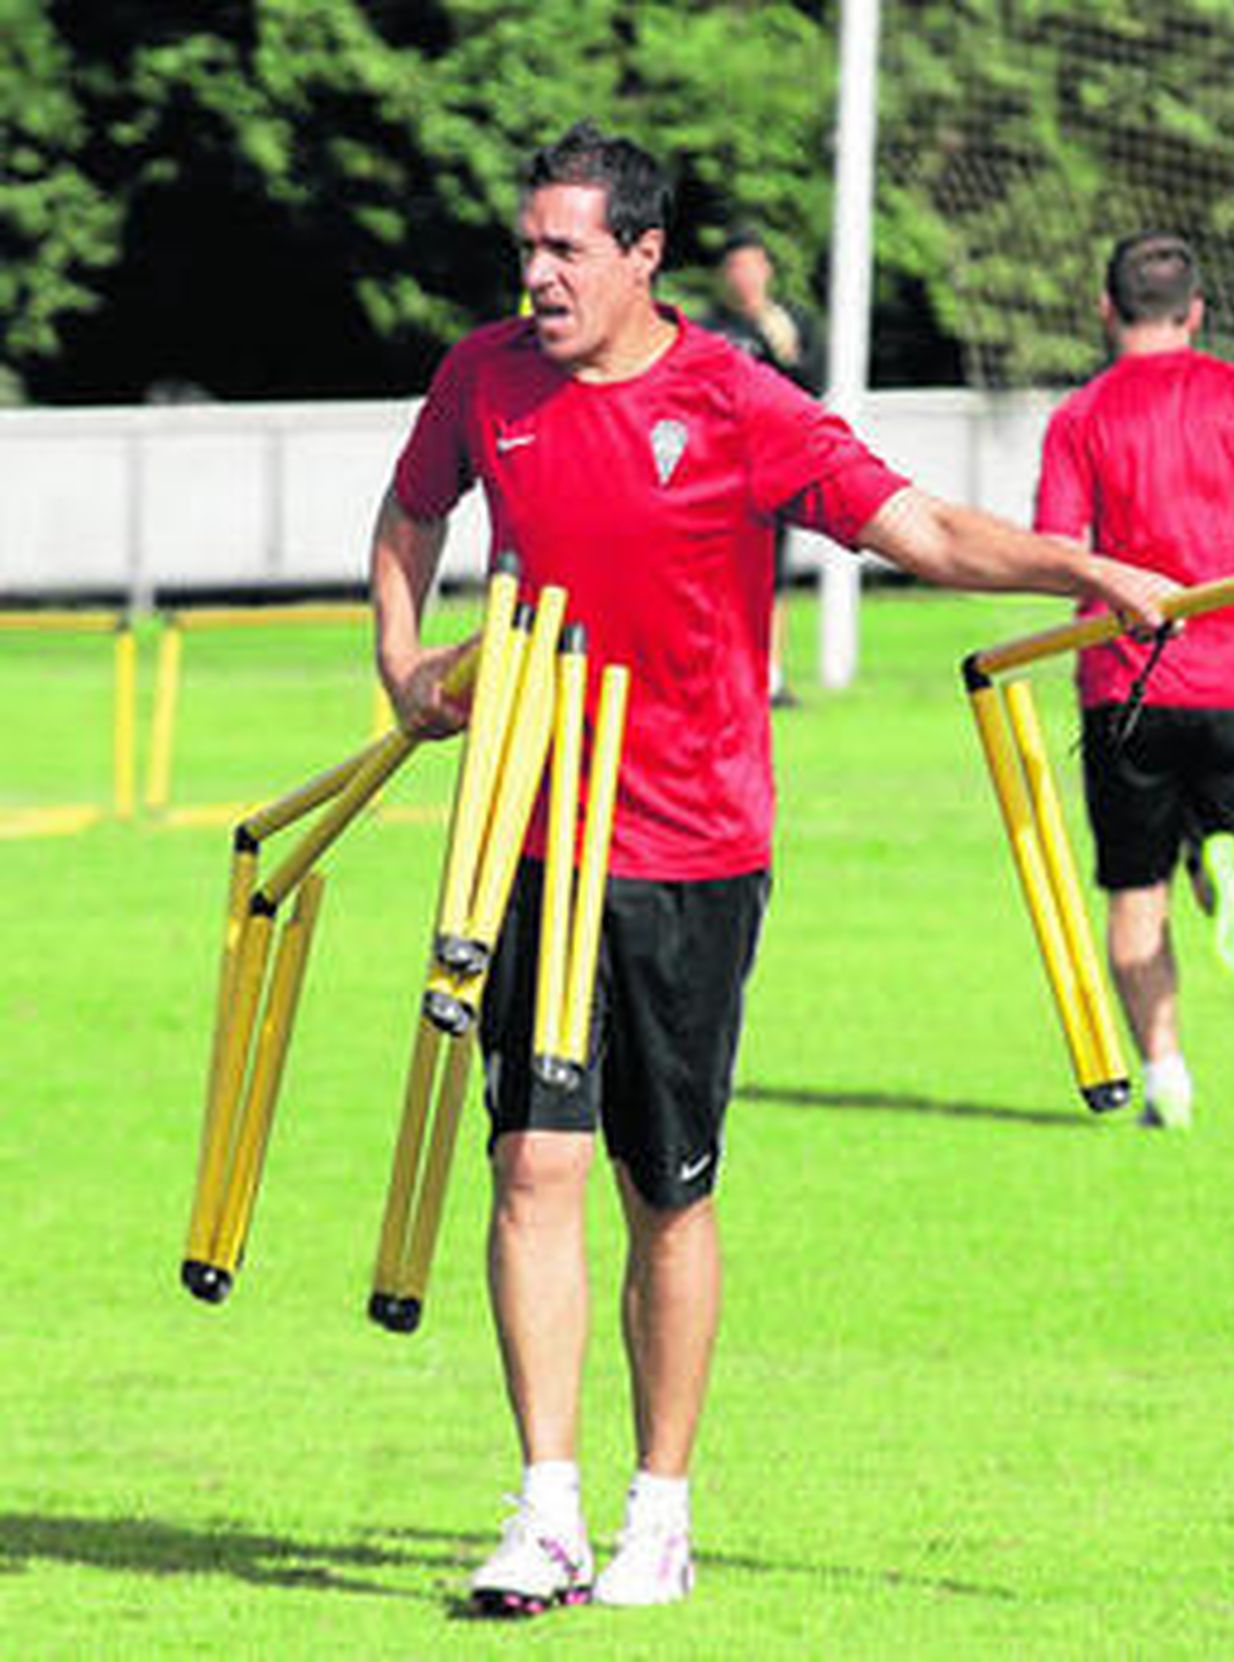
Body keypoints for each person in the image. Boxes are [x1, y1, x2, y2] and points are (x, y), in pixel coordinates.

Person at [369, 120, 1175, 1620]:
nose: (536, 274)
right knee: (532, 1158)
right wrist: (404, 659)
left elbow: (919, 526)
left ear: (643, 256)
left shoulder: (735, 400)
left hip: (691, 841)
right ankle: (544, 1507)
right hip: (528, 827)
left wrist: (1082, 566)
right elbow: (416, 506)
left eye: (567, 249)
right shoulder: (486, 377)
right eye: (527, 246)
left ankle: (657, 1510)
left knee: (662, 1187)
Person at [1033, 230, 1234, 1132]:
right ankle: (1231, 874)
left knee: (1135, 890)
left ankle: (1165, 1075)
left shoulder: (1081, 415)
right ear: (1196, 311)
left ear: (1106, 309)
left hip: (1126, 679)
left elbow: (1060, 552)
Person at [702, 226, 826, 707]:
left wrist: (786, 348)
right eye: (736, 266)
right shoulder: (710, 329)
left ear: (767, 270)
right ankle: (718, 670)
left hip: (772, 467)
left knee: (770, 573)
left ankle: (769, 674)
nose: (745, 277)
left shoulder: (791, 323)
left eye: (753, 265)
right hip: (715, 471)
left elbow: (811, 387)